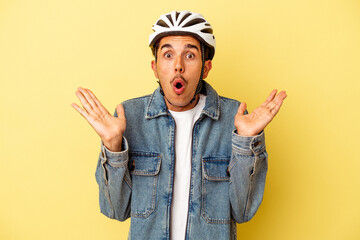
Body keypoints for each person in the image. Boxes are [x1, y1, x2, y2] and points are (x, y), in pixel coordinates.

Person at [72, 10, 287, 240]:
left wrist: (245, 143)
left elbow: (243, 211)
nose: (178, 66)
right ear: (155, 67)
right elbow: (115, 210)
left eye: (190, 55)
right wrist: (113, 146)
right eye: (167, 55)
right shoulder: (128, 119)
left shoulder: (234, 119)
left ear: (205, 68)